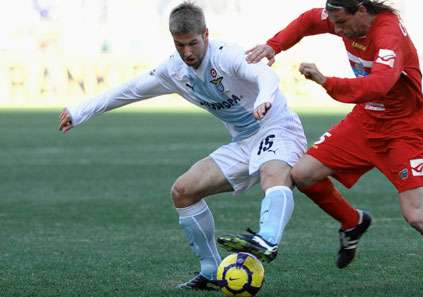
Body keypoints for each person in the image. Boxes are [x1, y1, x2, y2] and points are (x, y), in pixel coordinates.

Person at [244, 0, 423, 295]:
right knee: (303, 173)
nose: (336, 30)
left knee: (417, 216)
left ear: (361, 11)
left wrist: (326, 81)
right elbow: (310, 20)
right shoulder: (342, 16)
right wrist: (274, 45)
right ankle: (353, 222)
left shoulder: (388, 36)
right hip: (365, 121)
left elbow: (379, 85)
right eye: (334, 23)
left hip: (402, 131)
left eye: (342, 24)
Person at [58, 1, 306, 291]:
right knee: (183, 191)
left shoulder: (226, 55)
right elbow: (129, 91)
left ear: (206, 35)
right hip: (242, 142)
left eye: (192, 43)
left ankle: (268, 239)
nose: (187, 52)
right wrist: (80, 111)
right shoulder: (174, 71)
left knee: (272, 173)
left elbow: (265, 74)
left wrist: (264, 97)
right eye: (180, 45)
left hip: (277, 127)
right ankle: (211, 272)